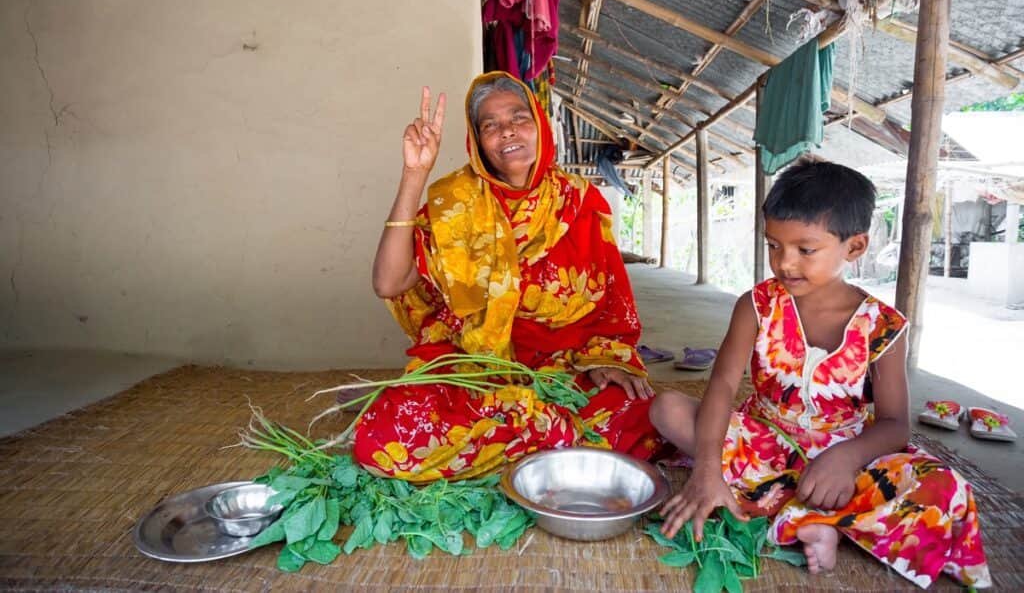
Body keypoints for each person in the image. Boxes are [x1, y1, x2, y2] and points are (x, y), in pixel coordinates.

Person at [649, 158, 990, 589]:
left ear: (855, 247)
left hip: (850, 453)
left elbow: (894, 424)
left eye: (804, 250)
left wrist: (845, 458)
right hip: (768, 441)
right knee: (669, 409)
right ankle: (825, 522)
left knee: (944, 487)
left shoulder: (882, 325)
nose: (784, 263)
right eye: (774, 246)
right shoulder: (756, 305)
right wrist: (707, 470)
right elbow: (721, 386)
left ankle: (795, 514)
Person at [356, 71, 661, 482]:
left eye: (519, 117)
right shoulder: (455, 204)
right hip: (474, 372)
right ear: (477, 141)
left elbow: (612, 306)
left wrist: (606, 360)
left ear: (539, 124)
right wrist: (415, 174)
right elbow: (388, 284)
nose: (508, 132)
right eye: (490, 125)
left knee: (643, 412)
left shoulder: (580, 200)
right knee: (382, 438)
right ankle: (558, 443)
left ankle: (517, 445)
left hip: (565, 372)